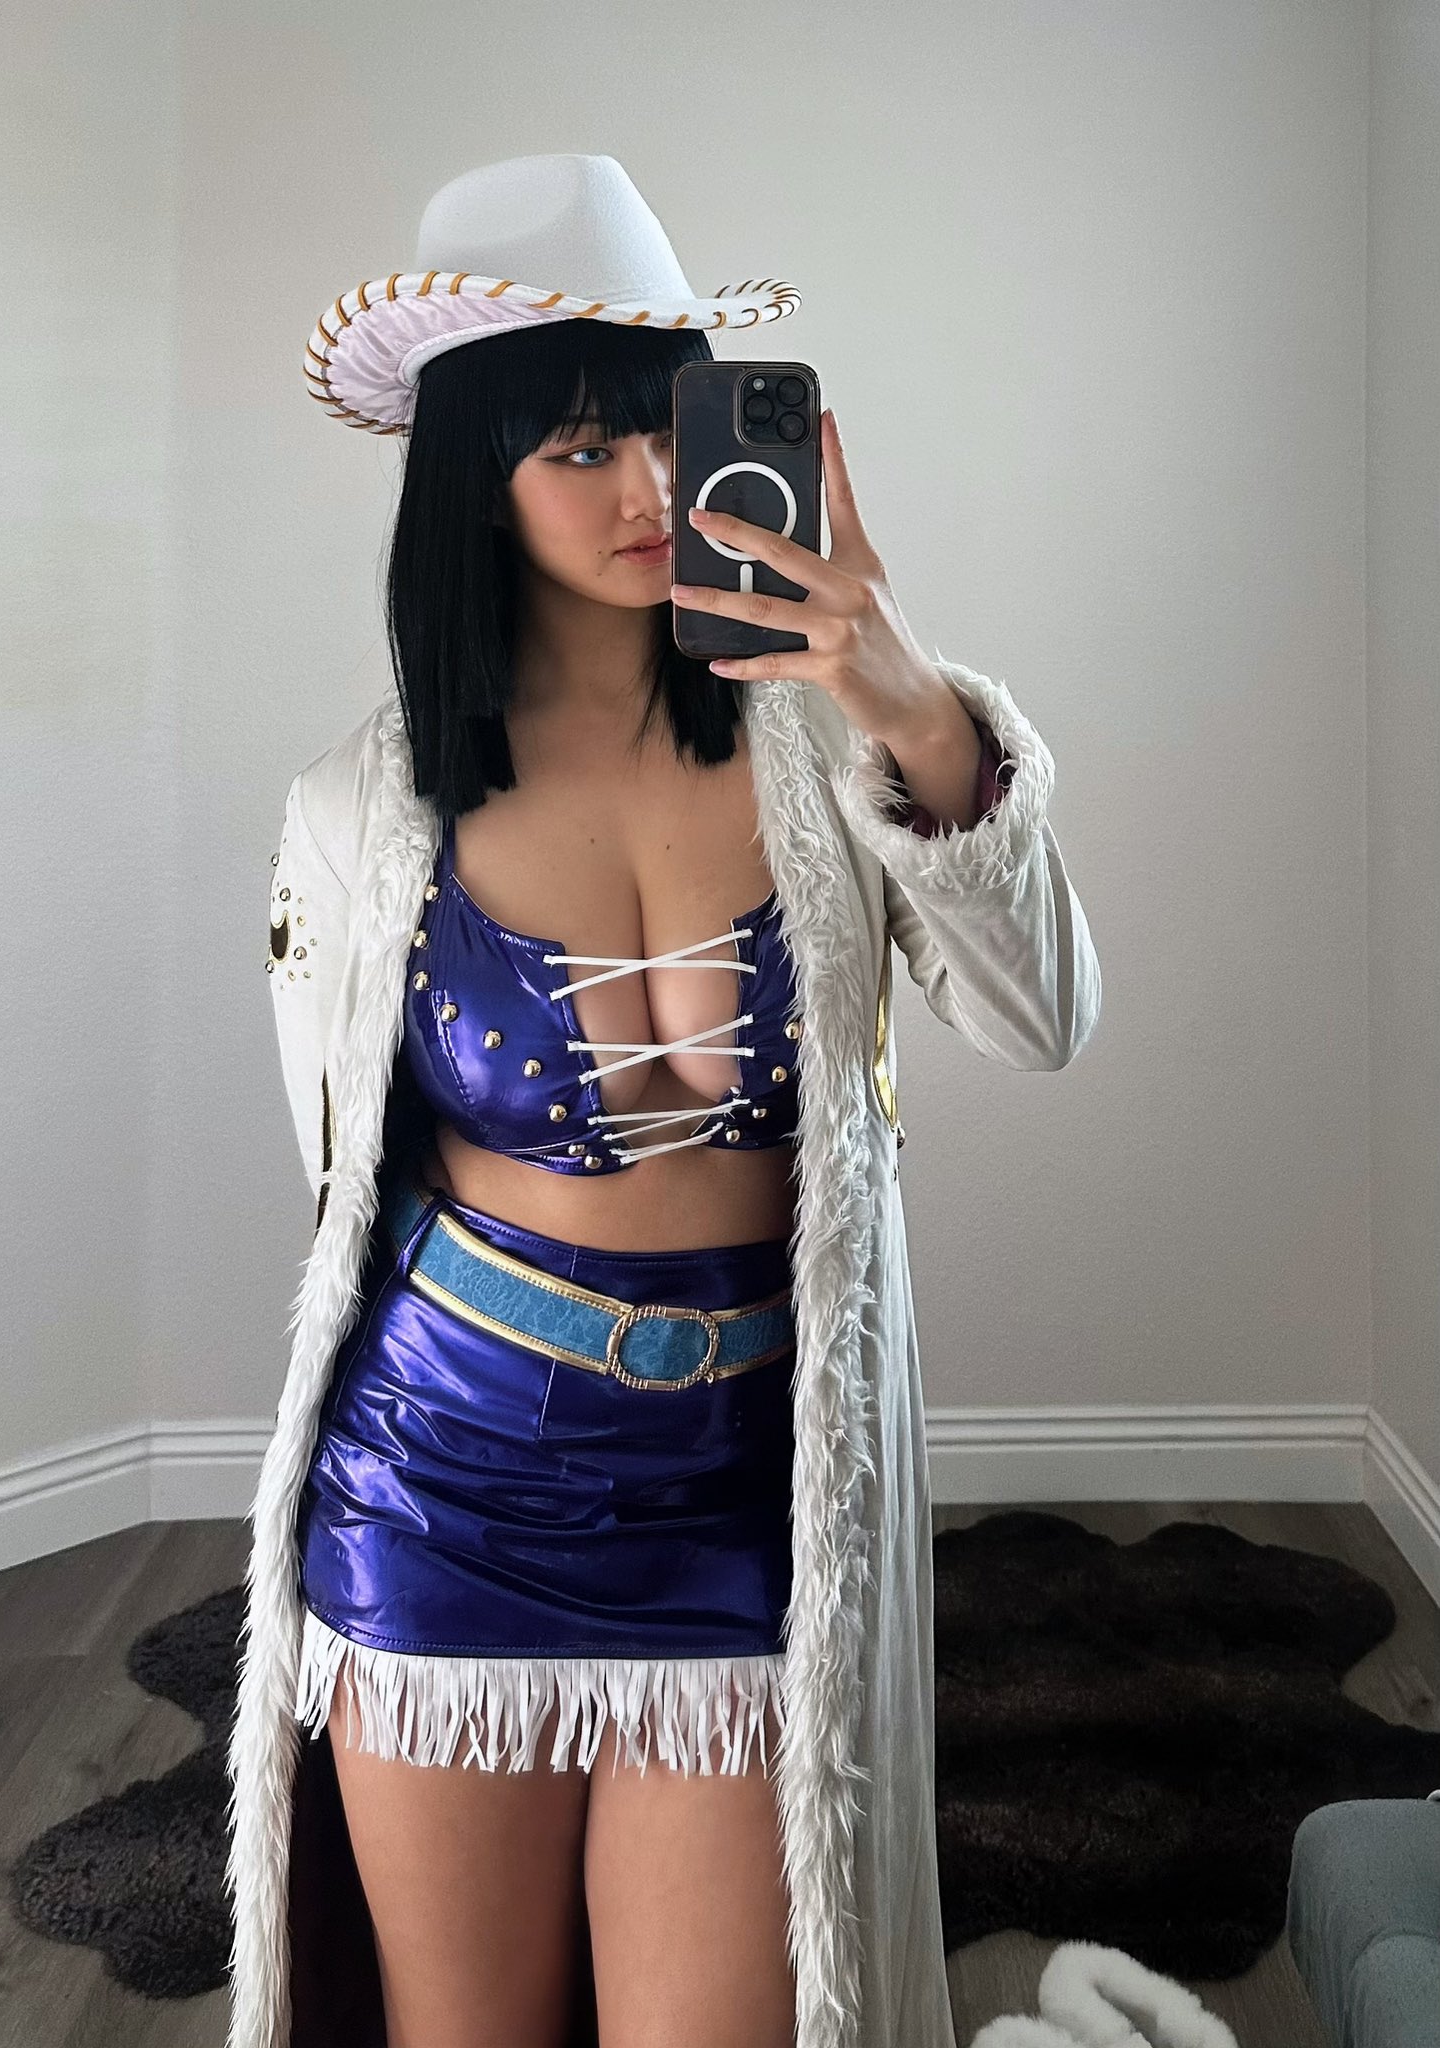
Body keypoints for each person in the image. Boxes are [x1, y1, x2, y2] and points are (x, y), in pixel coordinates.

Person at [225, 154, 1102, 2048]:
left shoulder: (833, 746)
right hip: (441, 1478)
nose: (643, 491)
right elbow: (339, 1181)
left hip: (756, 1489)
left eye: (665, 430)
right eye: (576, 448)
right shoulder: (358, 808)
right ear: (474, 477)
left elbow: (1042, 1021)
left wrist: (911, 704)